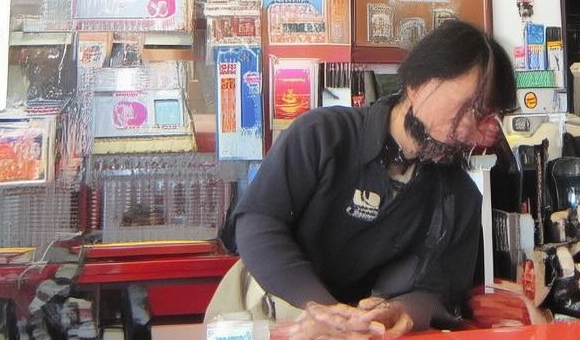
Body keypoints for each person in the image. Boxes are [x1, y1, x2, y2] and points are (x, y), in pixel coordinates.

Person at [214, 19, 517, 338]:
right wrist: (323, 309)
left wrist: (404, 311)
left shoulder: (459, 196)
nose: (470, 131)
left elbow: (444, 291)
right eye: (468, 108)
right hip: (272, 307)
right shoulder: (324, 135)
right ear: (418, 84)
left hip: (362, 329)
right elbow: (258, 222)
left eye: (485, 118)